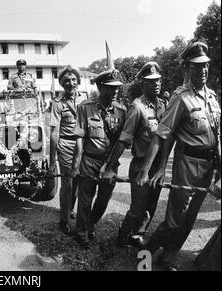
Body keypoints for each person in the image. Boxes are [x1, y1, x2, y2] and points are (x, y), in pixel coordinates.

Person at [135, 42, 221, 271]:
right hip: (188, 164)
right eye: (196, 67)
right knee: (175, 219)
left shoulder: (212, 98)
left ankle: (167, 257)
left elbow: (218, 135)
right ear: (187, 69)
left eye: (205, 66)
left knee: (190, 219)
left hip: (208, 165)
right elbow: (163, 135)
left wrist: (219, 169)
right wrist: (152, 169)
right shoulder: (181, 97)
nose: (202, 71)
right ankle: (145, 251)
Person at [102, 62, 166, 247]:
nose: (157, 84)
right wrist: (109, 166)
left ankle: (137, 235)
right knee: (137, 209)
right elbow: (124, 139)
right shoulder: (137, 108)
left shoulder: (163, 105)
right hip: (141, 166)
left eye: (158, 80)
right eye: (151, 82)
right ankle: (121, 239)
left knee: (151, 207)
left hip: (158, 166)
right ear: (143, 84)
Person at [72, 68, 126, 248]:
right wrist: (76, 164)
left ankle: (90, 224)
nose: (115, 92)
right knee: (85, 199)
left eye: (117, 88)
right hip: (89, 160)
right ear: (100, 87)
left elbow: (121, 141)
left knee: (103, 199)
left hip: (110, 162)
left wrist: (110, 165)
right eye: (110, 88)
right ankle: (82, 233)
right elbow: (80, 138)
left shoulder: (121, 110)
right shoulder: (85, 107)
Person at [49, 65, 84, 235]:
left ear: (78, 81)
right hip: (66, 146)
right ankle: (63, 220)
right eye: (67, 81)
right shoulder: (57, 104)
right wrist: (51, 160)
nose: (70, 83)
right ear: (62, 84)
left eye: (73, 80)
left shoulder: (85, 99)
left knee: (78, 182)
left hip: (83, 146)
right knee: (68, 184)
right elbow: (54, 132)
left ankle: (70, 209)